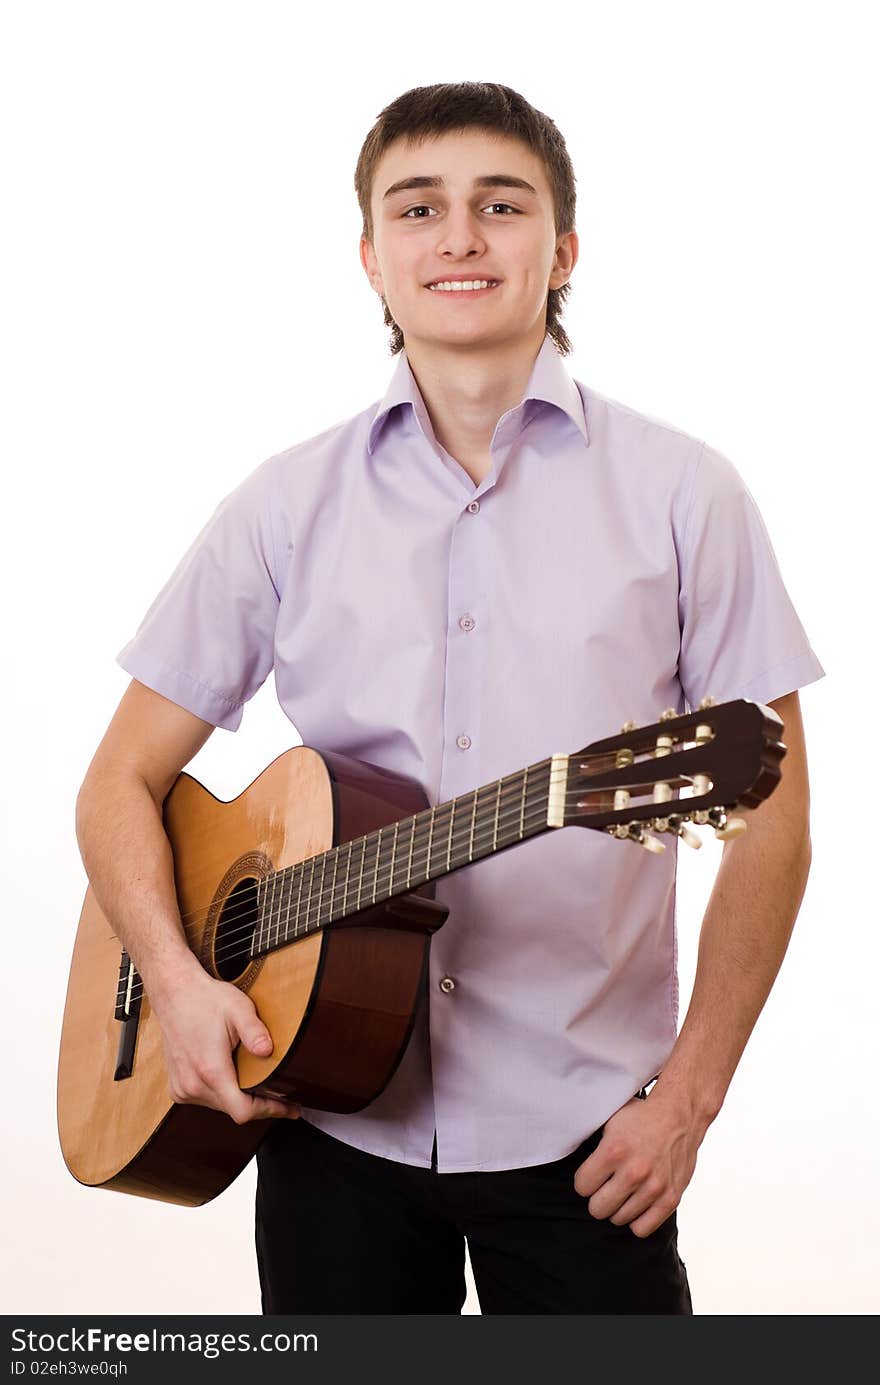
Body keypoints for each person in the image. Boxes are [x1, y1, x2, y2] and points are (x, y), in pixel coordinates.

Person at [75, 81, 825, 1314]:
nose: (460, 237)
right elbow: (118, 781)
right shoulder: (283, 502)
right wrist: (175, 969)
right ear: (372, 257)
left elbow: (776, 823)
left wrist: (688, 1096)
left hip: (592, 1143)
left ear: (563, 248)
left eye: (500, 204)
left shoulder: (689, 496)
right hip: (321, 1120)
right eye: (418, 209)